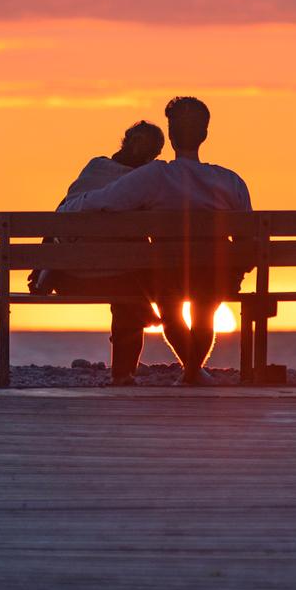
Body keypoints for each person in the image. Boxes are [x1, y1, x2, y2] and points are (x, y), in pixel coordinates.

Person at [60, 96, 252, 385]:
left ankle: (191, 372)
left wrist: (68, 208)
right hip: (217, 278)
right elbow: (248, 242)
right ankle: (193, 373)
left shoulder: (154, 176)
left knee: (170, 306)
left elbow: (104, 201)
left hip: (170, 278)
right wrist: (236, 271)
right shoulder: (231, 181)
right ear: (204, 134)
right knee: (205, 303)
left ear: (171, 136)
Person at [30, 121, 165, 385]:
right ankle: (123, 373)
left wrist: (40, 267)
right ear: (153, 155)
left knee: (130, 285)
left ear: (125, 141)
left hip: (71, 281)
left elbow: (58, 218)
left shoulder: (94, 167)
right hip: (123, 281)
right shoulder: (143, 183)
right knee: (131, 294)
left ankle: (142, 309)